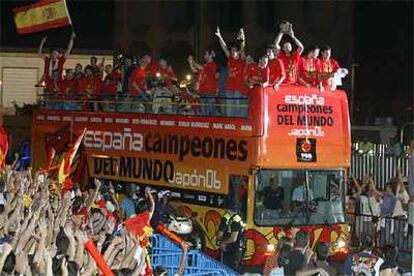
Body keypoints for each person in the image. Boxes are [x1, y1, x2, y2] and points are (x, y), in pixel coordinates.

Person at [215, 27, 246, 117]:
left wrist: (243, 38)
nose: (232, 52)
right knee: (229, 111)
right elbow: (224, 48)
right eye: (232, 50)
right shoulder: (230, 59)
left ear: (238, 52)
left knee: (237, 110)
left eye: (235, 51)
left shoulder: (241, 60)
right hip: (229, 88)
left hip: (237, 89)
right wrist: (220, 36)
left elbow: (243, 48)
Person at [216, 206, 246, 271]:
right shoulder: (237, 217)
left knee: (229, 267)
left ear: (229, 210)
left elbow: (233, 238)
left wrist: (222, 242)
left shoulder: (233, 220)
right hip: (237, 246)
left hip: (233, 247)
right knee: (233, 267)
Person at [194, 51, 218, 116]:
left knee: (210, 111)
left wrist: (193, 62)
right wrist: (191, 63)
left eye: (206, 54)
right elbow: (195, 70)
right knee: (204, 111)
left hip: (209, 91)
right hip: (203, 91)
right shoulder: (205, 65)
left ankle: (212, 124)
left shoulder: (213, 65)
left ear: (210, 56)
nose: (204, 56)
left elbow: (202, 68)